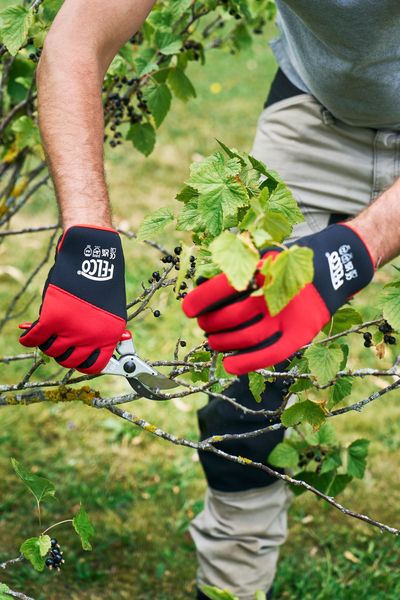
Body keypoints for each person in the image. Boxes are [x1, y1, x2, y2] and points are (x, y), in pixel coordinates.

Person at [19, 1, 400, 598]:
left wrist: (357, 246)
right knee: (243, 398)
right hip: (319, 112)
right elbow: (74, 43)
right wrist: (88, 232)